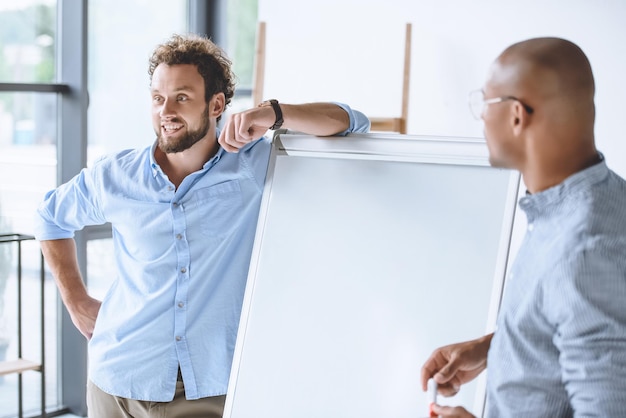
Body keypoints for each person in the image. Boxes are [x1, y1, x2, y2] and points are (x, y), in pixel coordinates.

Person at [34, 33, 370, 418]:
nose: (166, 111)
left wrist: (272, 113)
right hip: (117, 380)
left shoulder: (253, 165)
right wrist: (75, 299)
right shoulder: (116, 175)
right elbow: (50, 217)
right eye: (158, 98)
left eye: (182, 97)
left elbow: (352, 123)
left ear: (217, 104)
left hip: (207, 389)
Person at [420, 37, 626, 417]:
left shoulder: (584, 248)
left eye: (486, 101)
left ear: (517, 114)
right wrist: (495, 348)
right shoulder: (603, 200)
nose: (481, 116)